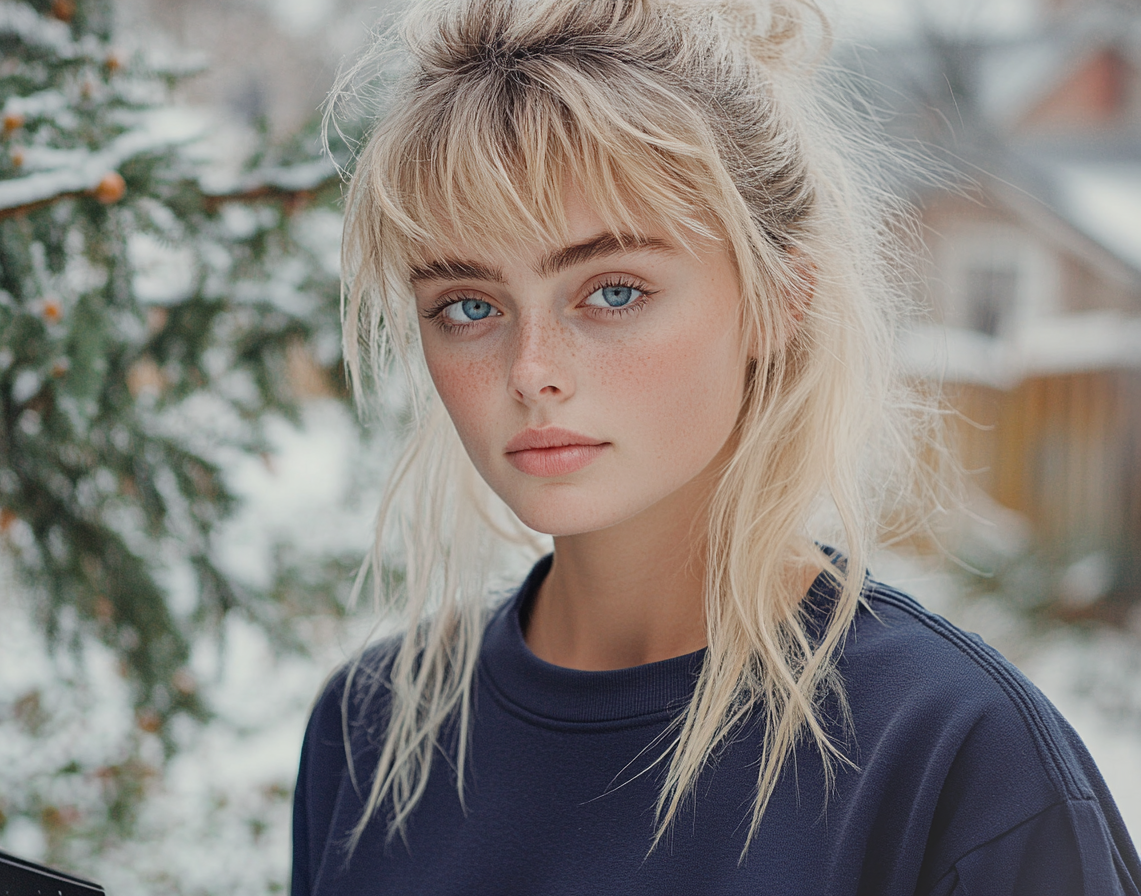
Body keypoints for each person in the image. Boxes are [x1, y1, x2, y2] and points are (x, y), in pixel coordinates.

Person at [291, 0, 1141, 892]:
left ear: (780, 298)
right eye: (468, 305)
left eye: (612, 291)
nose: (530, 370)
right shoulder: (370, 734)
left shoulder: (957, 763)